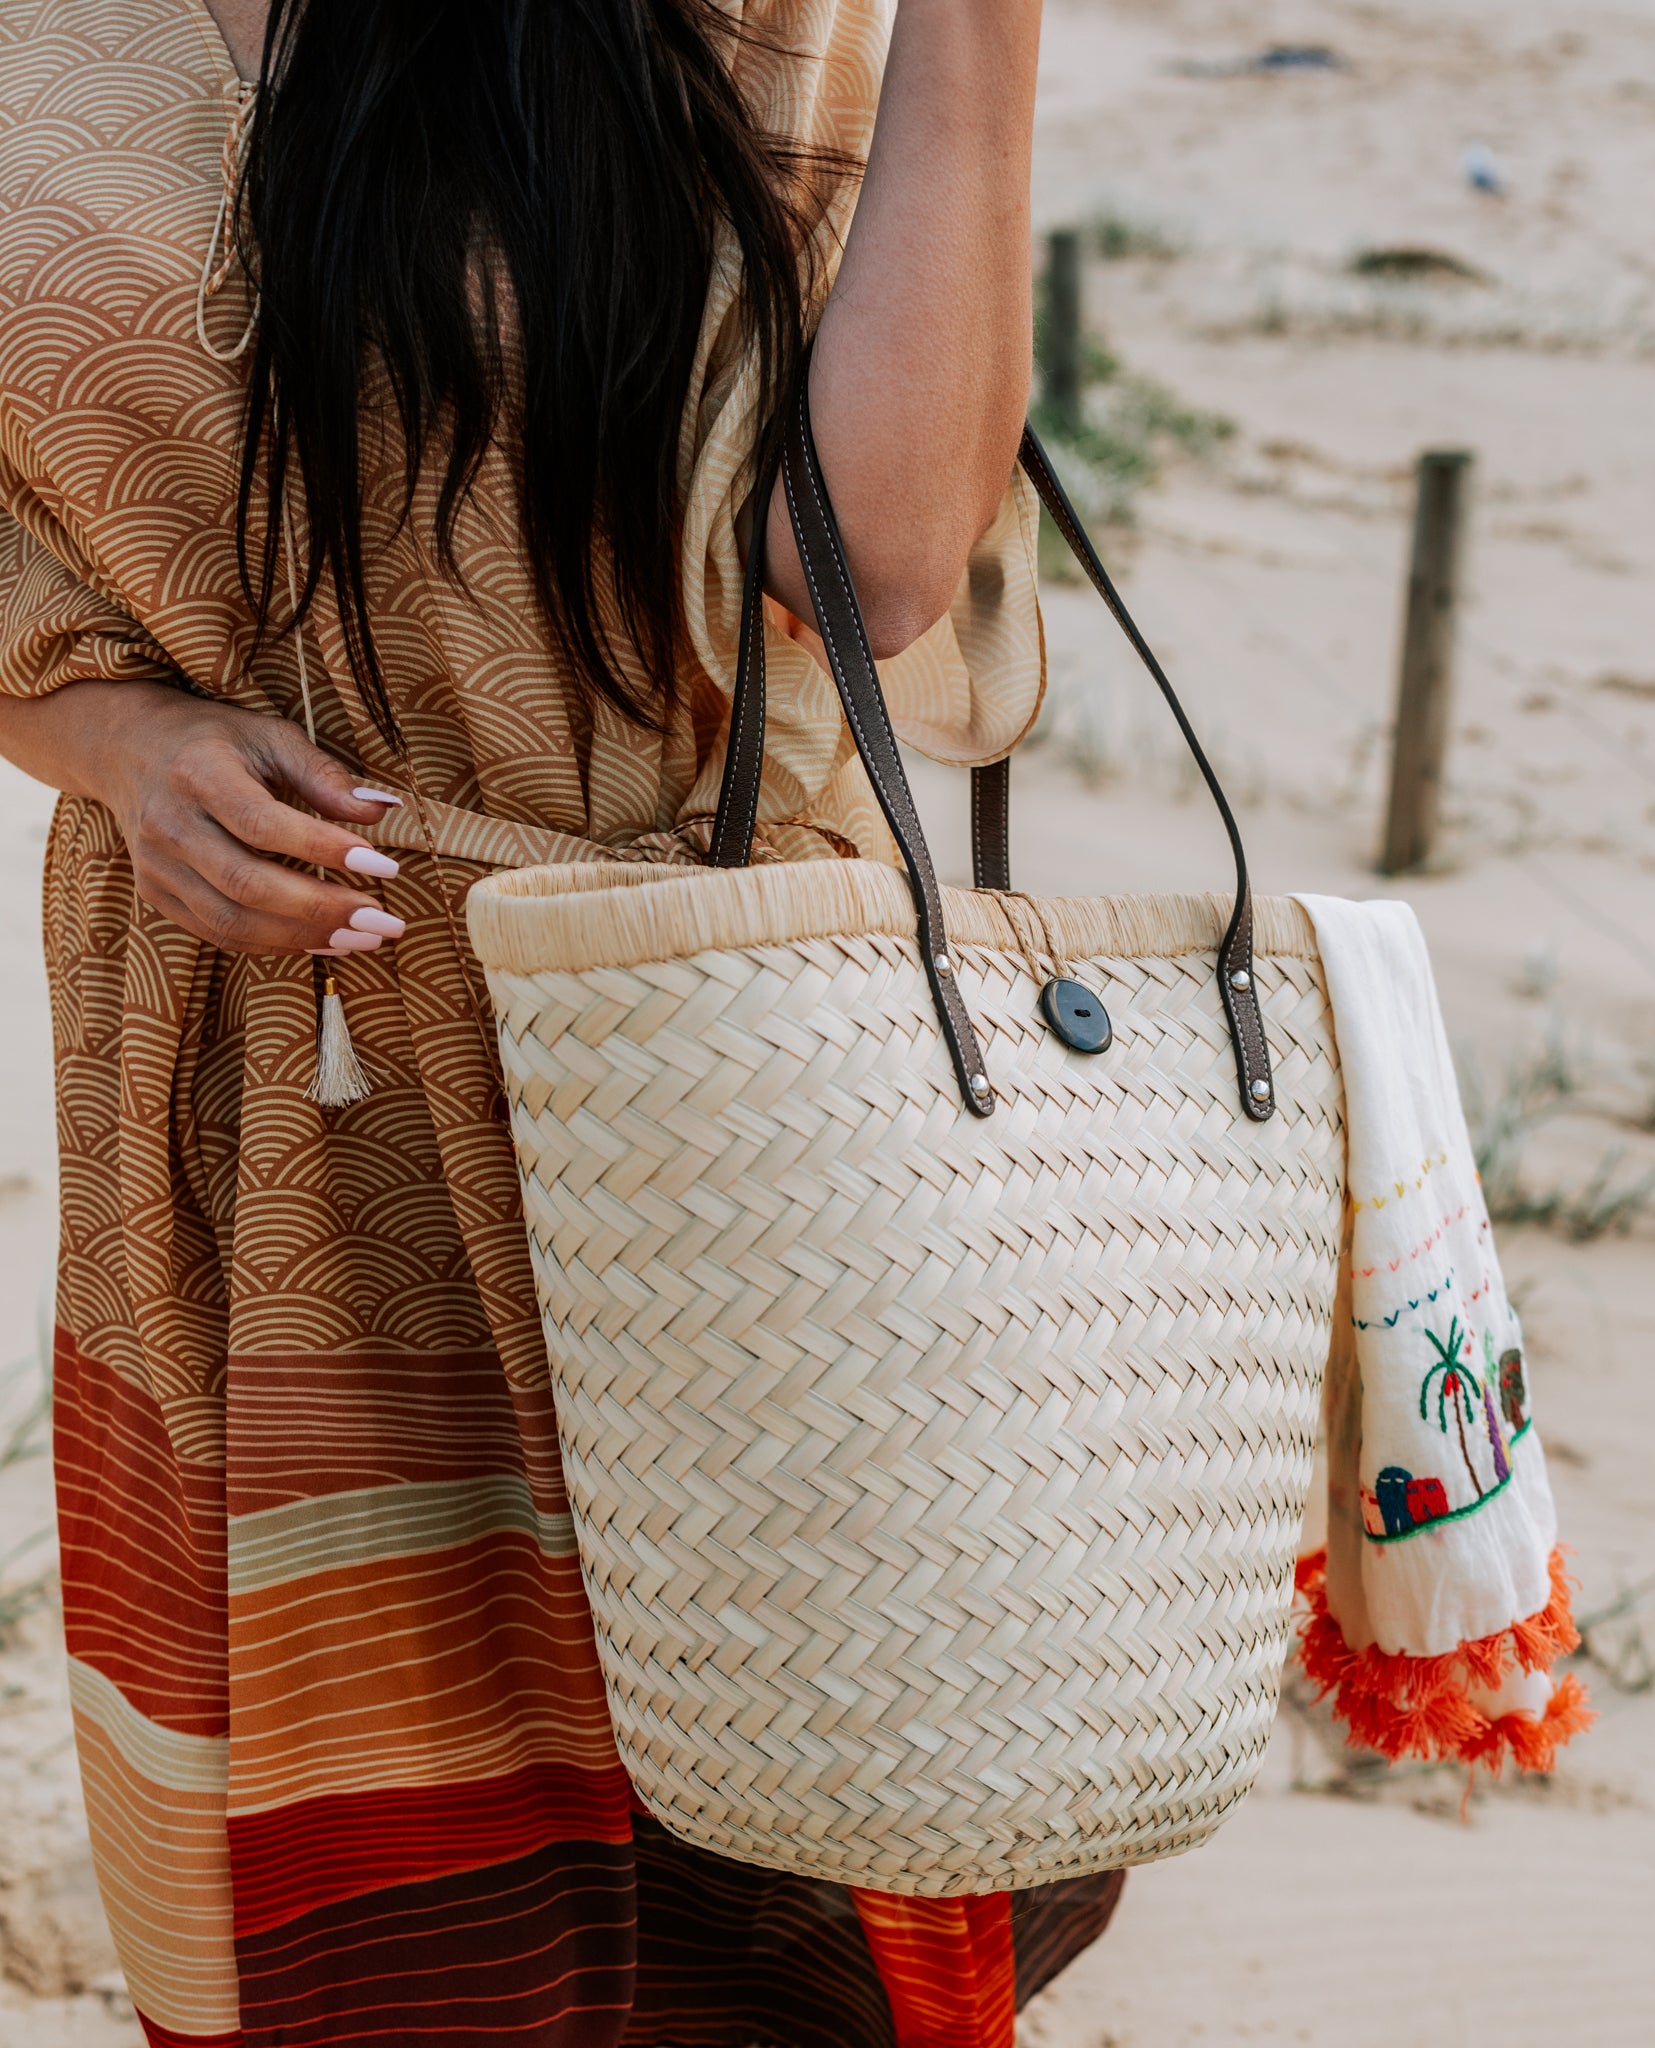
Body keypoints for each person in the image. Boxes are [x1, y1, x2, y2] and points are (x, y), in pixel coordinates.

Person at [0, 0, 1119, 2039]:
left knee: (784, 1881)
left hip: (708, 1075)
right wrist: (109, 737)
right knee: (363, 1927)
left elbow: (865, 563)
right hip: (246, 1118)